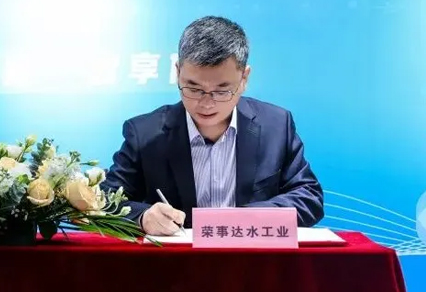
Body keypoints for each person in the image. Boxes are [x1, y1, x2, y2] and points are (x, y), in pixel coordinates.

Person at [101, 16, 323, 235]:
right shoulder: (144, 134)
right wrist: (143, 217)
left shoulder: (275, 125)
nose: (206, 103)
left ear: (244, 78)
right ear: (177, 72)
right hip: (176, 257)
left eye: (221, 91)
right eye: (193, 88)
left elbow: (308, 197)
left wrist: (244, 220)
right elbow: (104, 200)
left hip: (251, 255)